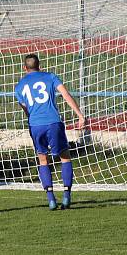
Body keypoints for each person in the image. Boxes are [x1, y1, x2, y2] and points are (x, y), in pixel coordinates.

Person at [15, 53, 85, 211]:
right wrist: (80, 115)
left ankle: (51, 199)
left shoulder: (19, 86)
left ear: (24, 68)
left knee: (43, 160)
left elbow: (26, 109)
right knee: (65, 157)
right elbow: (65, 94)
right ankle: (66, 197)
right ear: (40, 66)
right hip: (53, 122)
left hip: (35, 125)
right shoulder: (50, 77)